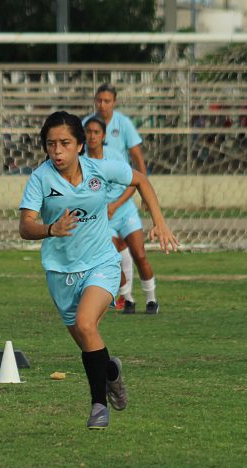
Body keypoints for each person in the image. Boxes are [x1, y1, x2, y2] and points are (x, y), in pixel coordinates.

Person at [19, 111, 178, 430]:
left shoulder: (100, 169)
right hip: (60, 272)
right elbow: (25, 226)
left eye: (65, 143)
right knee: (87, 340)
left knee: (85, 323)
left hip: (102, 264)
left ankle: (97, 407)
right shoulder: (40, 178)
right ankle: (111, 374)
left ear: (79, 145)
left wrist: (158, 221)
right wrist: (50, 229)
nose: (57, 151)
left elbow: (140, 180)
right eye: (51, 145)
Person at [83, 83, 151, 314]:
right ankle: (127, 298)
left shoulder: (123, 126)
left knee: (137, 253)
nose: (102, 104)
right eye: (99, 100)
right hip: (102, 207)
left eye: (107, 100)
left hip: (122, 196)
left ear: (114, 102)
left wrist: (144, 190)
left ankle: (150, 299)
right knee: (115, 253)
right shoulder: (86, 127)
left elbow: (137, 160)